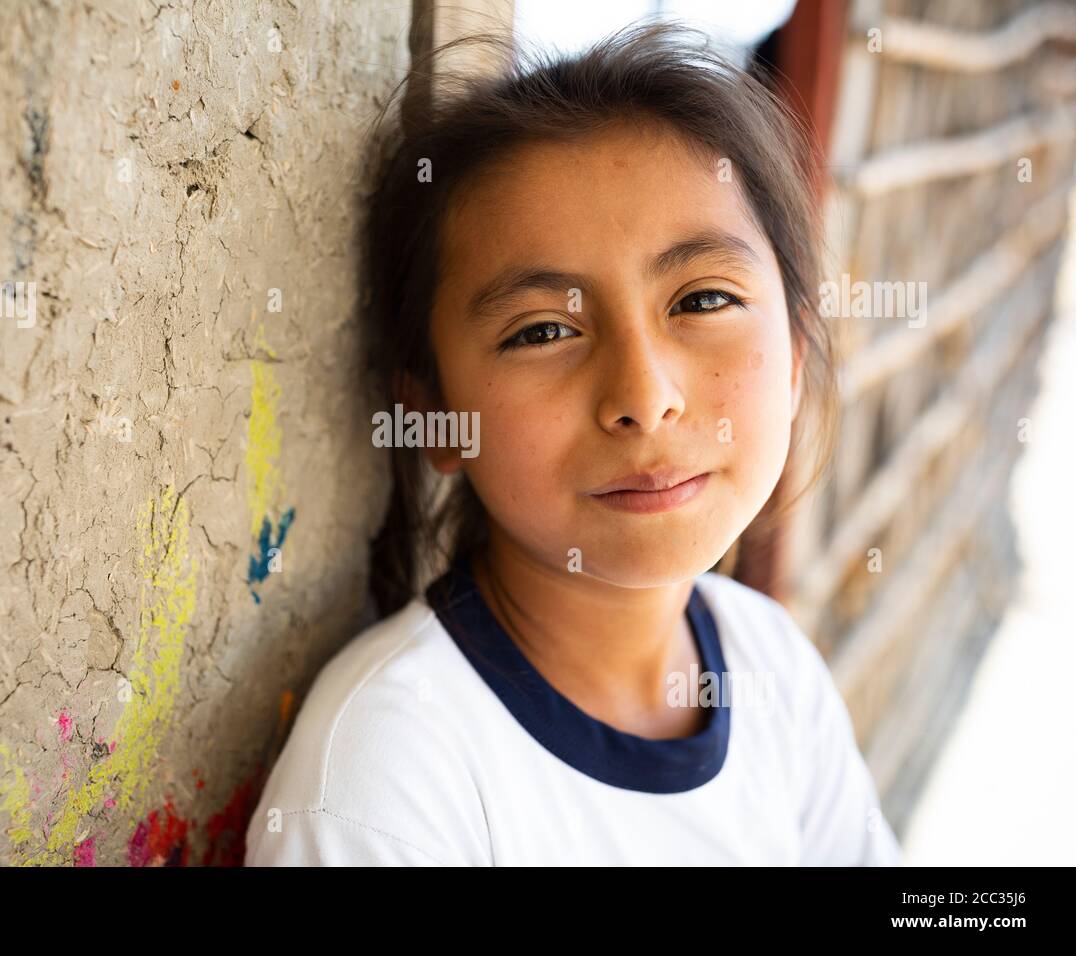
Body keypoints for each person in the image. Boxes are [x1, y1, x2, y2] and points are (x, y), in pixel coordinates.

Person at [245, 20, 902, 866]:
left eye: (701, 301)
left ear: (794, 358)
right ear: (436, 413)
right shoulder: (391, 781)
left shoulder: (768, 667)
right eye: (544, 330)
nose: (643, 398)